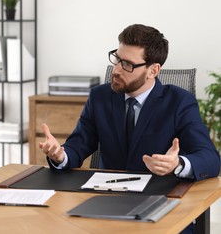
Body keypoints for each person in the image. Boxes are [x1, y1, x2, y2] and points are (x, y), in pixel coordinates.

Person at [40, 24, 220, 233]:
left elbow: (210, 159)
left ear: (153, 70)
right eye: (117, 59)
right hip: (104, 206)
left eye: (127, 64)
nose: (116, 69)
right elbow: (78, 145)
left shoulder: (179, 102)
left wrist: (178, 164)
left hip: (161, 209)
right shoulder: (100, 97)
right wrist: (60, 156)